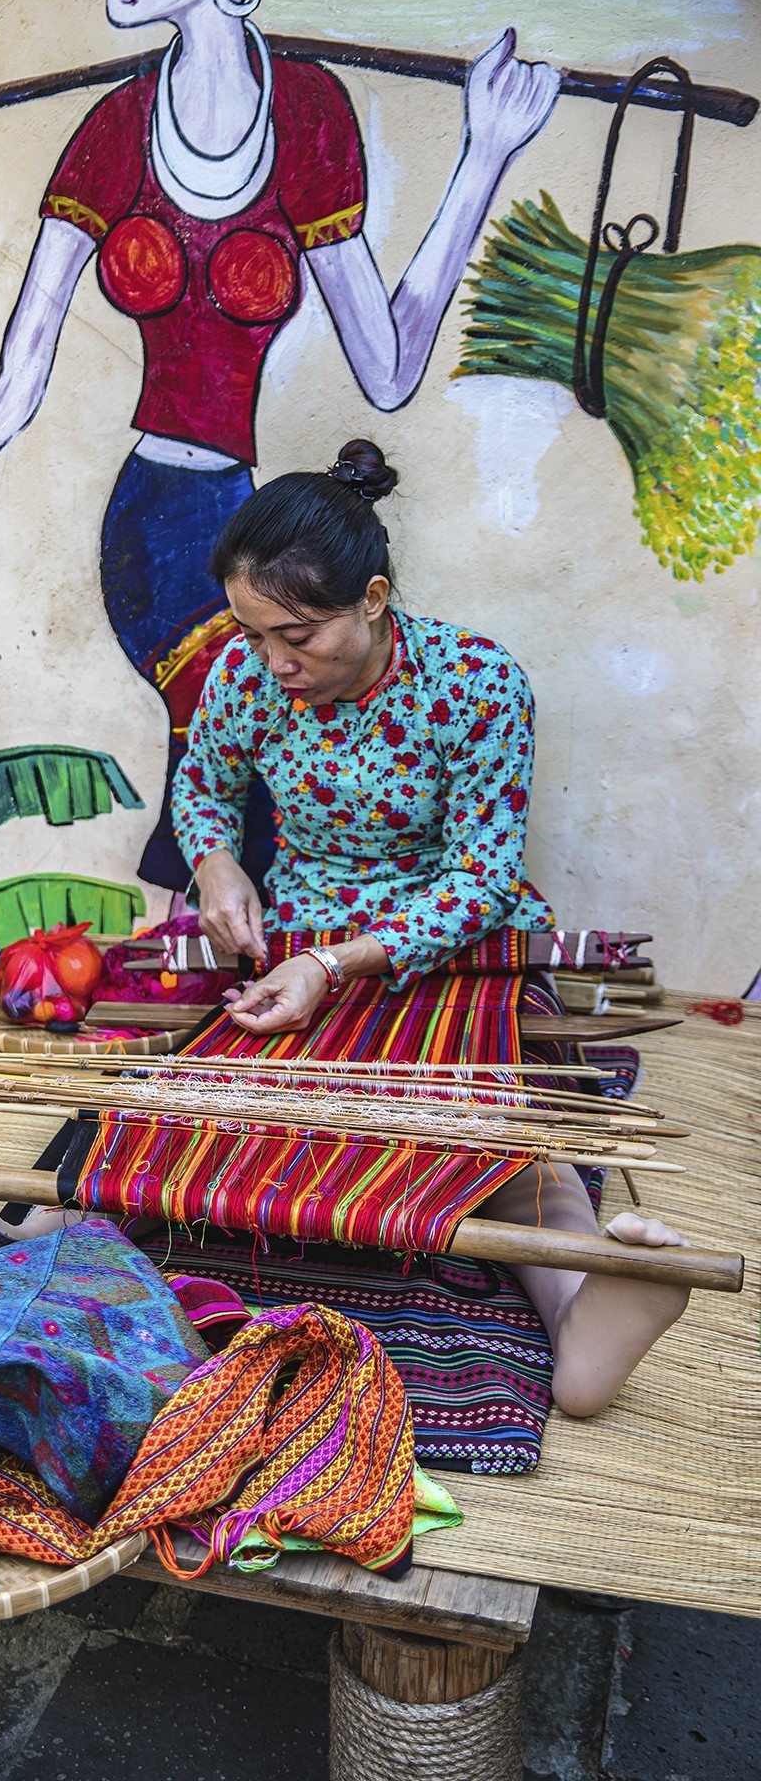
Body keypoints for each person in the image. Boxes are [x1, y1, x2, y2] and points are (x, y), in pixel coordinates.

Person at [0, 0, 560, 892]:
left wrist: (484, 155)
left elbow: (390, 371)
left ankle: (234, 960)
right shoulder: (116, 127)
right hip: (153, 528)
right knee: (226, 741)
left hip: (239, 519)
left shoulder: (311, 114)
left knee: (240, 751)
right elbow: (30, 343)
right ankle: (220, 965)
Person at [170, 437, 689, 1417]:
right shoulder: (247, 678)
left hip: (454, 957)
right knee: (217, 1121)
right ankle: (48, 1250)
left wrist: (336, 964)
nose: (276, 663)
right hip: (303, 953)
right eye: (253, 636)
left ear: (372, 598)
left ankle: (588, 1313)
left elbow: (481, 881)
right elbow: (203, 785)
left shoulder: (479, 686)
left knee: (484, 1125)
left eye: (300, 636)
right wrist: (216, 859)